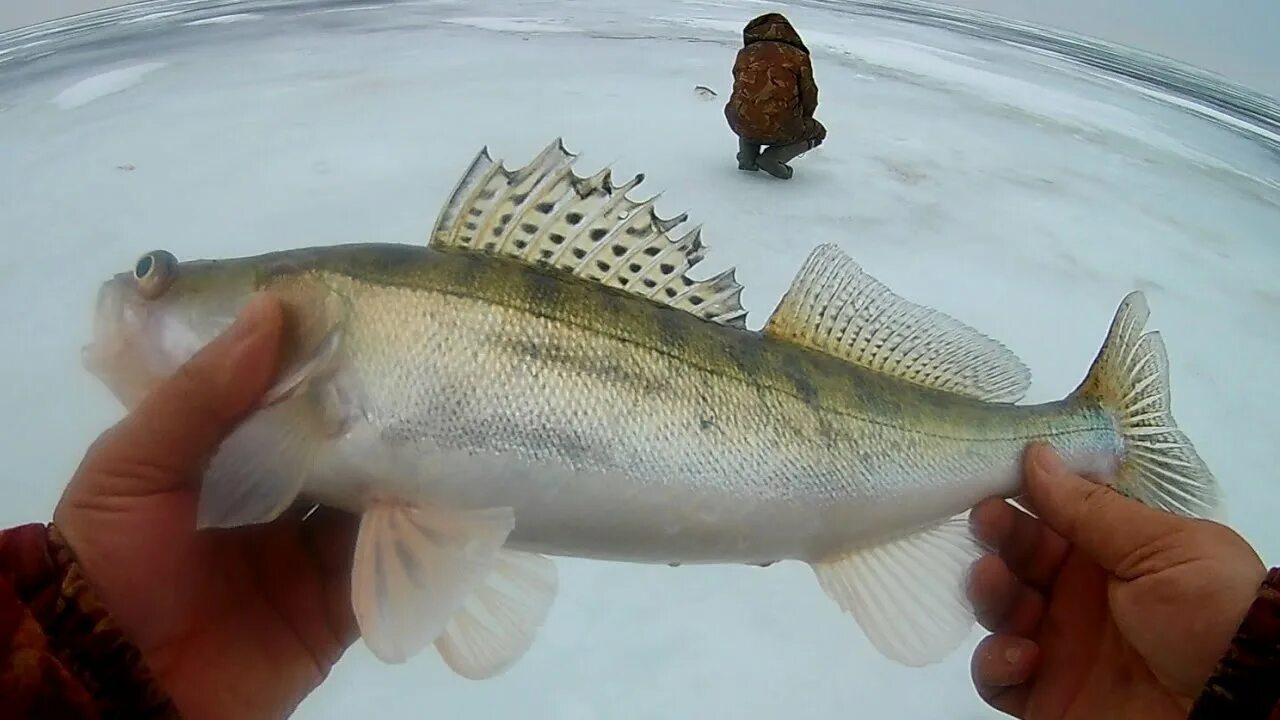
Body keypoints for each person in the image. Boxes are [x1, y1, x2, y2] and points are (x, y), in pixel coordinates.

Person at [0, 293, 1276, 718]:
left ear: (286, 309)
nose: (144, 297)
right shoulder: (306, 443)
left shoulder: (323, 347)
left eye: (168, 282)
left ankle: (1093, 426)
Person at [724, 13, 828, 180]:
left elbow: (741, 89)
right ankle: (773, 158)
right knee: (818, 133)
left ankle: (747, 159)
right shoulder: (798, 57)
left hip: (738, 120)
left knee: (750, 110)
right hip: (780, 124)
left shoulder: (745, 53)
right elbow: (809, 94)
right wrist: (802, 119)